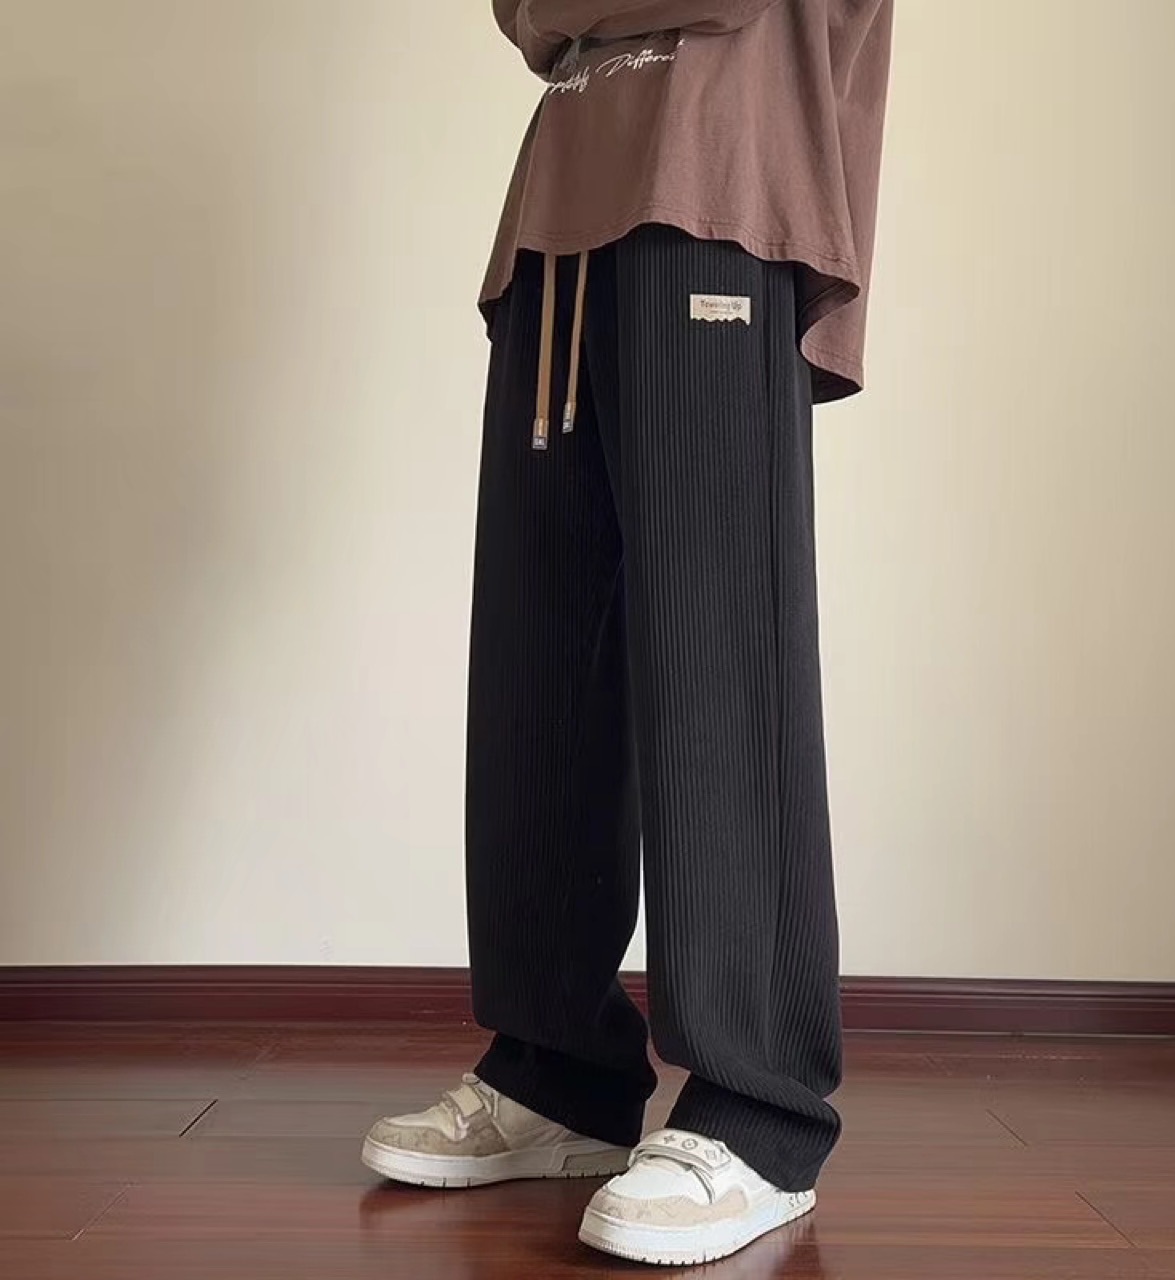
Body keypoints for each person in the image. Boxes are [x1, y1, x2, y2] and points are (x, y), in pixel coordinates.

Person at [362, 0, 893, 1265]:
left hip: (720, 184)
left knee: (720, 651)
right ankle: (558, 1069)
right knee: (542, 653)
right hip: (561, 210)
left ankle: (759, 1110)